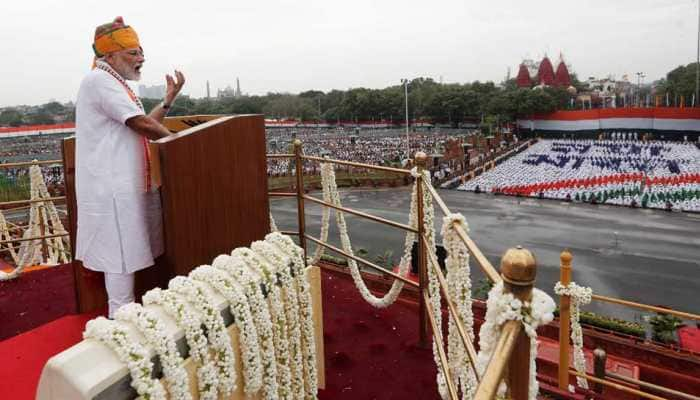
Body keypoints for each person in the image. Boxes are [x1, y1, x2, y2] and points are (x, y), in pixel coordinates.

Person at [74, 16, 185, 317]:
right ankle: (120, 326)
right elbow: (140, 123)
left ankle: (126, 319)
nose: (141, 58)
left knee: (130, 255)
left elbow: (143, 122)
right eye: (133, 53)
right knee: (120, 259)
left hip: (126, 188)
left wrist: (168, 100)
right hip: (112, 190)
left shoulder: (115, 81)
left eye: (141, 52)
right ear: (109, 55)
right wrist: (182, 143)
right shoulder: (99, 80)